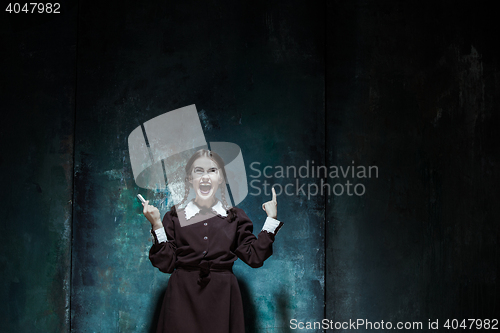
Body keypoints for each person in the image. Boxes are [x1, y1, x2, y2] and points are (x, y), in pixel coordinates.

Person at [142, 149, 283, 333]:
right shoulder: (174, 217)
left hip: (223, 297)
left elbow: (254, 257)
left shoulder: (236, 217)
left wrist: (271, 219)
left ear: (221, 178)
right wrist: (157, 225)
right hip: (182, 296)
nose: (205, 177)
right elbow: (166, 263)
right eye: (198, 171)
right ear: (189, 179)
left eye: (212, 171)